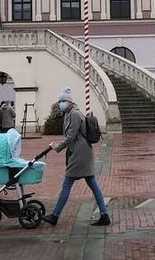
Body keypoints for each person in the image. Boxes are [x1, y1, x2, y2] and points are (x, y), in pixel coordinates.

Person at [42, 87, 110, 227]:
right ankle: (104, 214)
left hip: (80, 153)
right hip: (81, 152)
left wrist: (57, 147)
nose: (60, 103)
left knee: (67, 183)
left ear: (69, 102)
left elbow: (71, 137)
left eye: (62, 101)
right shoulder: (70, 113)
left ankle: (55, 216)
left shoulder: (74, 114)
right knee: (92, 182)